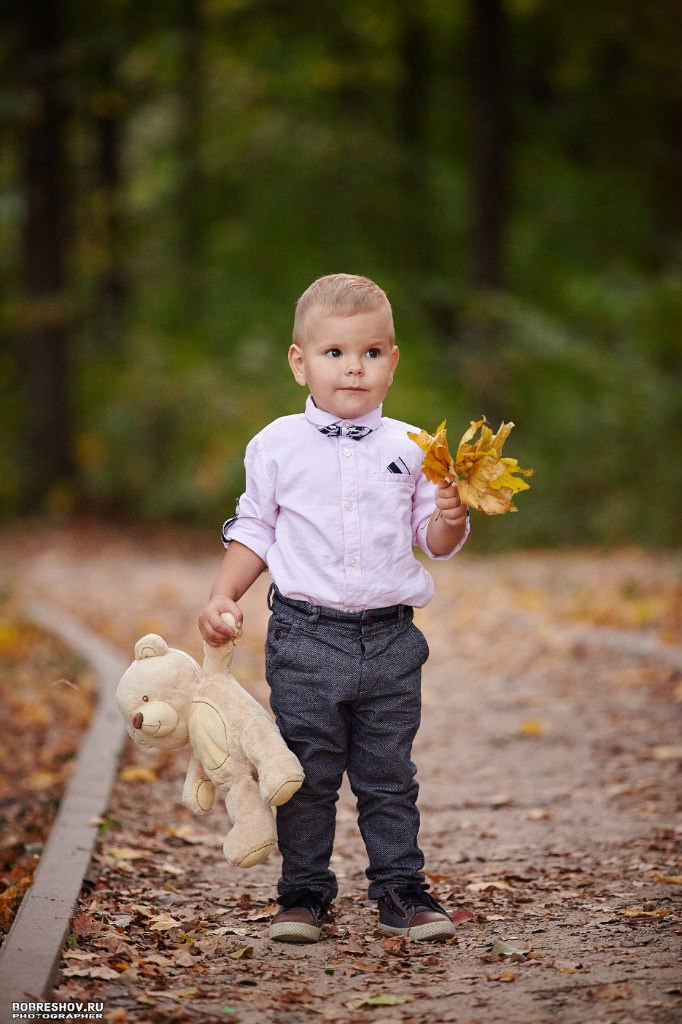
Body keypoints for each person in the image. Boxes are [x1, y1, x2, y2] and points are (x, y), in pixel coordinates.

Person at [199, 273, 469, 943]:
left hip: (390, 642)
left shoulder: (414, 449)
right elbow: (255, 528)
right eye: (335, 353)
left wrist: (450, 515)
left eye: (372, 353)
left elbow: (433, 542)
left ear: (393, 362)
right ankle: (304, 895)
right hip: (305, 639)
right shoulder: (275, 446)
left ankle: (401, 891)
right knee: (308, 775)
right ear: (300, 362)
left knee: (387, 776)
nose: (354, 366)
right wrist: (222, 595)